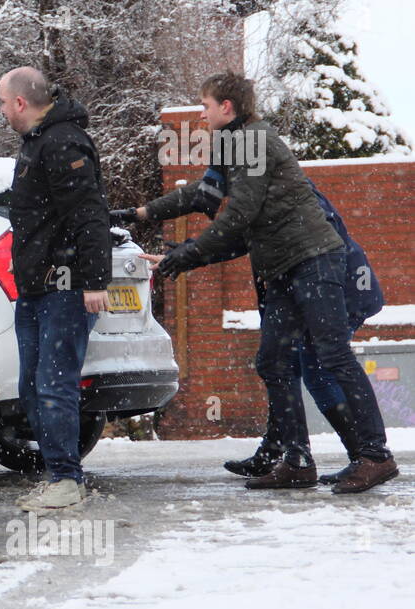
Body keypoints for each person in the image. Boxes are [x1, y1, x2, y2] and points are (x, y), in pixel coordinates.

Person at [148, 72, 397, 494]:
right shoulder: (234, 144)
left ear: (227, 106)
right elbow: (204, 198)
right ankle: (296, 460)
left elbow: (239, 216)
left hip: (314, 259)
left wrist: (186, 254)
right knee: (273, 360)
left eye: (205, 104)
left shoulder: (254, 139)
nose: (202, 112)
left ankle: (375, 456)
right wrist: (144, 217)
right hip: (282, 266)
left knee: (332, 354)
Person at [116, 167, 384, 486]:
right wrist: (157, 230)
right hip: (315, 289)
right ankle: (279, 452)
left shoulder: (285, 192)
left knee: (314, 370)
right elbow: (224, 223)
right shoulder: (256, 187)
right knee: (280, 366)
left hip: (339, 287)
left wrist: (186, 252)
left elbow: (240, 234)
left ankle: (364, 458)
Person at [0, 67, 112, 512]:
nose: (3, 111)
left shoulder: (63, 143)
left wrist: (93, 281)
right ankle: (56, 475)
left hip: (63, 288)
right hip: (34, 289)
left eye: (4, 103)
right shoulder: (36, 143)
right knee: (31, 386)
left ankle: (66, 479)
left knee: (53, 384)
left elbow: (88, 213)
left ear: (21, 103)